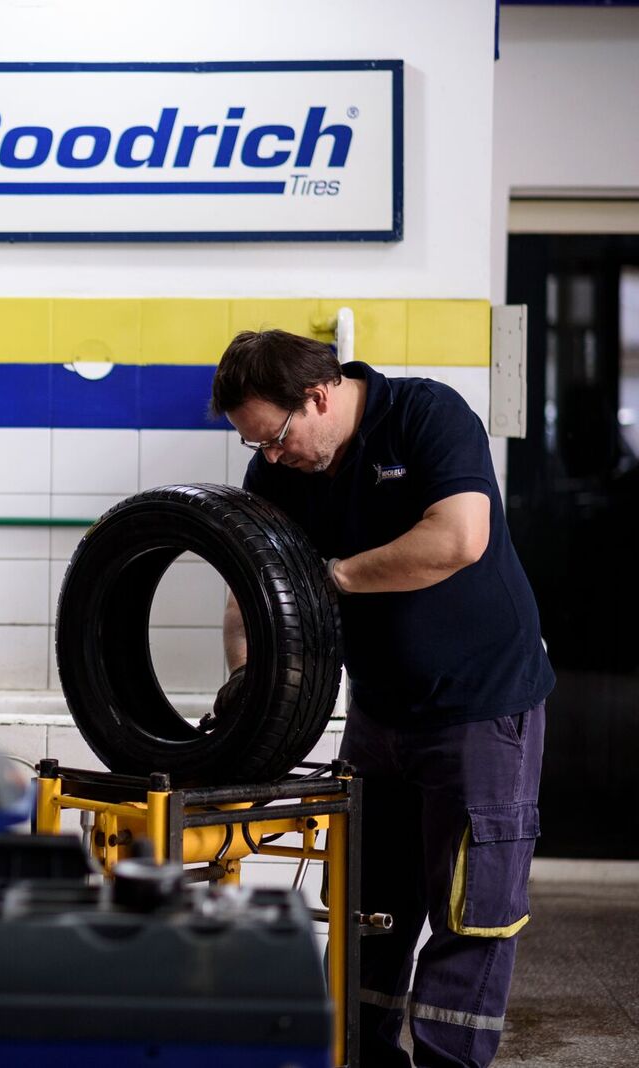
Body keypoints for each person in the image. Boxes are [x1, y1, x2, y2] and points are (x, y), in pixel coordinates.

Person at [209, 330, 554, 1068]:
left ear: (318, 396)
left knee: (470, 909)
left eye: (274, 436)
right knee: (369, 905)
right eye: (254, 444)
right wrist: (245, 682)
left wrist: (329, 578)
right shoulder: (276, 473)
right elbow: (249, 595)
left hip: (481, 707)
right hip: (378, 713)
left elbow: (458, 538)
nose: (268, 456)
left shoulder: (427, 416)